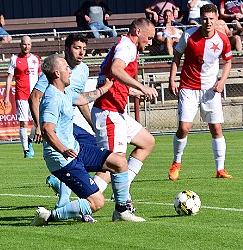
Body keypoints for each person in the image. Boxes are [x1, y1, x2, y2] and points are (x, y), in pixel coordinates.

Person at [29, 54, 133, 226]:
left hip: (76, 149)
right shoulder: (51, 98)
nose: (70, 71)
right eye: (66, 69)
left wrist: (106, 87)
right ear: (56, 73)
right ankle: (50, 216)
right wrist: (62, 149)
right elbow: (47, 129)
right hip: (62, 159)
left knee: (119, 162)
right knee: (97, 203)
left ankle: (122, 211)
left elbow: (84, 98)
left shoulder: (65, 92)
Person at [29, 33, 111, 212]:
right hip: (58, 125)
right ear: (67, 50)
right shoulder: (55, 69)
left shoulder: (83, 70)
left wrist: (93, 125)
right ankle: (70, 200)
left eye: (84, 49)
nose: (81, 53)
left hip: (69, 124)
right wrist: (37, 126)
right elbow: (34, 97)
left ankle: (78, 191)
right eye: (76, 48)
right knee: (70, 156)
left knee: (100, 148)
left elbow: (79, 99)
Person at [91, 18, 159, 222]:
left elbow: (113, 79)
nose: (150, 42)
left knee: (147, 142)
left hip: (117, 112)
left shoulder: (127, 46)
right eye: (149, 37)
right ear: (138, 31)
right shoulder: (127, 46)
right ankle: (115, 208)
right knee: (113, 163)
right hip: (108, 112)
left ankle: (123, 188)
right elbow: (116, 70)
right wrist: (141, 87)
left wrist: (132, 92)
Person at [168, 3, 234, 181]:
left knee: (216, 128)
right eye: (205, 19)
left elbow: (228, 62)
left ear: (216, 19)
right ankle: (176, 163)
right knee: (184, 128)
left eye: (211, 19)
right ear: (200, 19)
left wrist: (222, 81)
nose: (208, 22)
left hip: (211, 89)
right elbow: (177, 56)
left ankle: (220, 169)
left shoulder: (222, 40)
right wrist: (172, 78)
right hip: (188, 87)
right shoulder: (188, 35)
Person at [3, 36, 41, 158]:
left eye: (29, 44)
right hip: (21, 95)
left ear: (31, 45)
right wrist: (6, 96)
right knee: (23, 123)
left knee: (38, 122)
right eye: (24, 44)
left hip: (35, 96)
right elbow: (9, 78)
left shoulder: (36, 59)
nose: (26, 46)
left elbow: (41, 77)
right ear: (20, 45)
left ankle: (29, 140)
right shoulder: (14, 59)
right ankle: (26, 150)